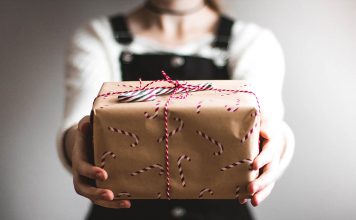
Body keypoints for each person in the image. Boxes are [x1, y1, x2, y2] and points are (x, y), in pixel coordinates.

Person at [57, 0, 295, 219]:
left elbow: (266, 118)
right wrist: (79, 144)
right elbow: (79, 121)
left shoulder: (251, 40)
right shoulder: (98, 36)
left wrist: (276, 142)